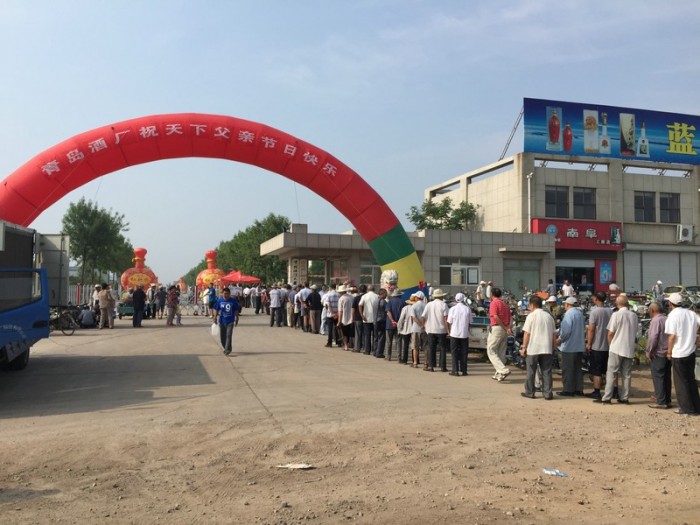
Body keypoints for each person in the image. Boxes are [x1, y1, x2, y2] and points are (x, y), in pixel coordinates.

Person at [595, 295, 636, 405]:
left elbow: (610, 333)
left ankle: (607, 397)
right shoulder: (633, 316)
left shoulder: (616, 315)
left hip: (616, 347)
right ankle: (625, 397)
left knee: (611, 373)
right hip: (629, 347)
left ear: (617, 304)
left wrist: (610, 345)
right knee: (626, 374)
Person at [664, 292, 700, 415]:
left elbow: (672, 336)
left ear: (670, 304)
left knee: (681, 382)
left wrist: (669, 352)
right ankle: (696, 406)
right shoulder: (691, 313)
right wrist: (697, 338)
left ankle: (686, 408)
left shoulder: (672, 316)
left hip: (678, 353)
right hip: (691, 351)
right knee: (691, 380)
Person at [519, 295, 556, 400]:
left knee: (531, 371)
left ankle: (530, 392)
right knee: (546, 371)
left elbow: (527, 334)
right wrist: (553, 345)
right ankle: (547, 393)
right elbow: (554, 334)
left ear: (532, 305)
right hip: (546, 348)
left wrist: (524, 347)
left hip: (533, 348)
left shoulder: (531, 316)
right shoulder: (549, 317)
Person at [584, 291, 613, 400]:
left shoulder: (594, 312)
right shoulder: (610, 311)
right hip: (609, 345)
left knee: (597, 371)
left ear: (596, 298)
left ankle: (597, 391)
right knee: (609, 370)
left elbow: (591, 329)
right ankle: (613, 390)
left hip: (597, 345)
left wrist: (589, 343)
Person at [555, 296, 585, 396]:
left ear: (567, 304)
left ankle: (568, 390)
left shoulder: (568, 314)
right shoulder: (580, 314)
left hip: (569, 346)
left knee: (567, 369)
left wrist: (560, 339)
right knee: (578, 369)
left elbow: (566, 331)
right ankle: (578, 389)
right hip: (579, 346)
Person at [645, 301, 672, 409]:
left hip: (658, 352)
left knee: (658, 377)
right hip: (667, 352)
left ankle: (661, 401)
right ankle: (667, 400)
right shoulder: (667, 319)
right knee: (667, 377)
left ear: (652, 310)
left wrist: (650, 351)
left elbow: (653, 337)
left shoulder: (656, 320)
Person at [487, 287, 512, 381]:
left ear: (491, 294)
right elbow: (510, 318)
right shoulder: (505, 304)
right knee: (501, 351)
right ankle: (499, 374)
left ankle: (503, 370)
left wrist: (504, 327)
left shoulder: (494, 303)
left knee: (491, 349)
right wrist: (507, 327)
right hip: (505, 329)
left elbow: (495, 316)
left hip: (497, 327)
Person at [422, 288, 449, 372]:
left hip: (430, 329)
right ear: (441, 296)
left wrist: (424, 325)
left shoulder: (429, 304)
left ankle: (431, 366)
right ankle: (442, 366)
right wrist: (448, 330)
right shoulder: (444, 305)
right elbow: (446, 318)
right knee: (443, 348)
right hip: (441, 330)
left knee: (431, 348)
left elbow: (423, 316)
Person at [447, 292, 472, 376]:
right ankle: (464, 370)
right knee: (464, 352)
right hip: (464, 334)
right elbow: (470, 322)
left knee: (454, 352)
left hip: (454, 333)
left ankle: (455, 370)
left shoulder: (452, 309)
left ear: (455, 299)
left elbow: (449, 321)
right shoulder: (467, 309)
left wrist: (449, 331)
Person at [213, 287, 241, 355]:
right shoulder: (220, 300)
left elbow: (236, 310)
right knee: (222, 337)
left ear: (229, 294)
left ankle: (227, 350)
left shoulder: (233, 301)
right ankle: (227, 347)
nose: (226, 295)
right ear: (222, 293)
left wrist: (237, 318)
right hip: (222, 321)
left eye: (227, 294)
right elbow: (216, 309)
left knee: (229, 335)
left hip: (230, 321)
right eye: (224, 293)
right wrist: (215, 317)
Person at [358, 284, 379, 356]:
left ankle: (367, 350)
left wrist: (362, 315)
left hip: (366, 318)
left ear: (367, 289)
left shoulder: (364, 296)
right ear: (374, 289)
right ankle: (375, 350)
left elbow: (360, 305)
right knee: (375, 336)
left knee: (367, 335)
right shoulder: (377, 296)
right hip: (375, 318)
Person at [385, 289, 404, 361]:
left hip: (389, 324)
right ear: (400, 295)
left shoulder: (390, 302)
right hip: (399, 324)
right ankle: (399, 357)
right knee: (399, 341)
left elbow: (388, 312)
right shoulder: (403, 302)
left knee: (389, 341)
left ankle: (388, 356)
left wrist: (392, 320)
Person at [409, 290, 427, 367]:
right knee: (425, 347)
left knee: (415, 347)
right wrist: (423, 325)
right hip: (425, 329)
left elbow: (414, 317)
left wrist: (420, 325)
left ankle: (415, 362)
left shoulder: (414, 306)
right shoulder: (426, 306)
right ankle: (426, 363)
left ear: (417, 297)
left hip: (415, 328)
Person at [337, 285, 354, 351]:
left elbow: (340, 311)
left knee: (344, 333)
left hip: (344, 319)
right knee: (352, 333)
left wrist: (339, 321)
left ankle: (346, 346)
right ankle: (354, 345)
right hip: (352, 318)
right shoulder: (351, 297)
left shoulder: (341, 299)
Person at [323, 283, 340, 347]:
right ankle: (338, 342)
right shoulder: (338, 294)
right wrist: (336, 313)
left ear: (330, 287)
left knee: (330, 329)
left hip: (330, 314)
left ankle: (329, 343)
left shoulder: (328, 295)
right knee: (337, 328)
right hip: (337, 314)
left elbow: (328, 305)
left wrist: (332, 313)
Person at [374, 288, 388, 358]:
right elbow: (387, 311)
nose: (386, 295)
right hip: (381, 321)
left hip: (375, 321)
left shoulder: (375, 301)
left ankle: (375, 351)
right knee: (381, 338)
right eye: (385, 294)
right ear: (382, 294)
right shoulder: (383, 302)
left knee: (376, 337)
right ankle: (379, 353)